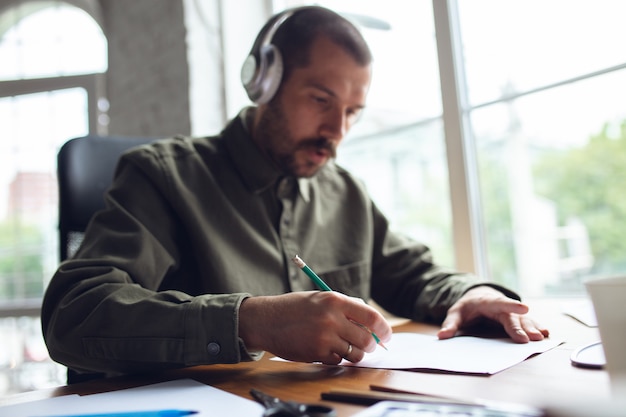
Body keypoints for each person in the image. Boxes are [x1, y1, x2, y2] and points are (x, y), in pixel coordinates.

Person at [41, 6, 549, 380]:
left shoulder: (344, 191)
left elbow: (413, 273)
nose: (336, 130)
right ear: (262, 81)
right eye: (321, 99)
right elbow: (74, 313)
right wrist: (253, 321)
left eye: (352, 112)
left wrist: (472, 294)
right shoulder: (163, 177)